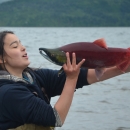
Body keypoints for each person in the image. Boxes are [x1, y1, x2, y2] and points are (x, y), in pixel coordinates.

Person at [0, 31, 129, 130]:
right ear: (2, 59)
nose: (23, 47)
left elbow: (89, 76)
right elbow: (56, 118)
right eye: (15, 46)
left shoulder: (34, 77)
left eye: (21, 43)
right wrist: (71, 78)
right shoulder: (9, 93)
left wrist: (126, 62)